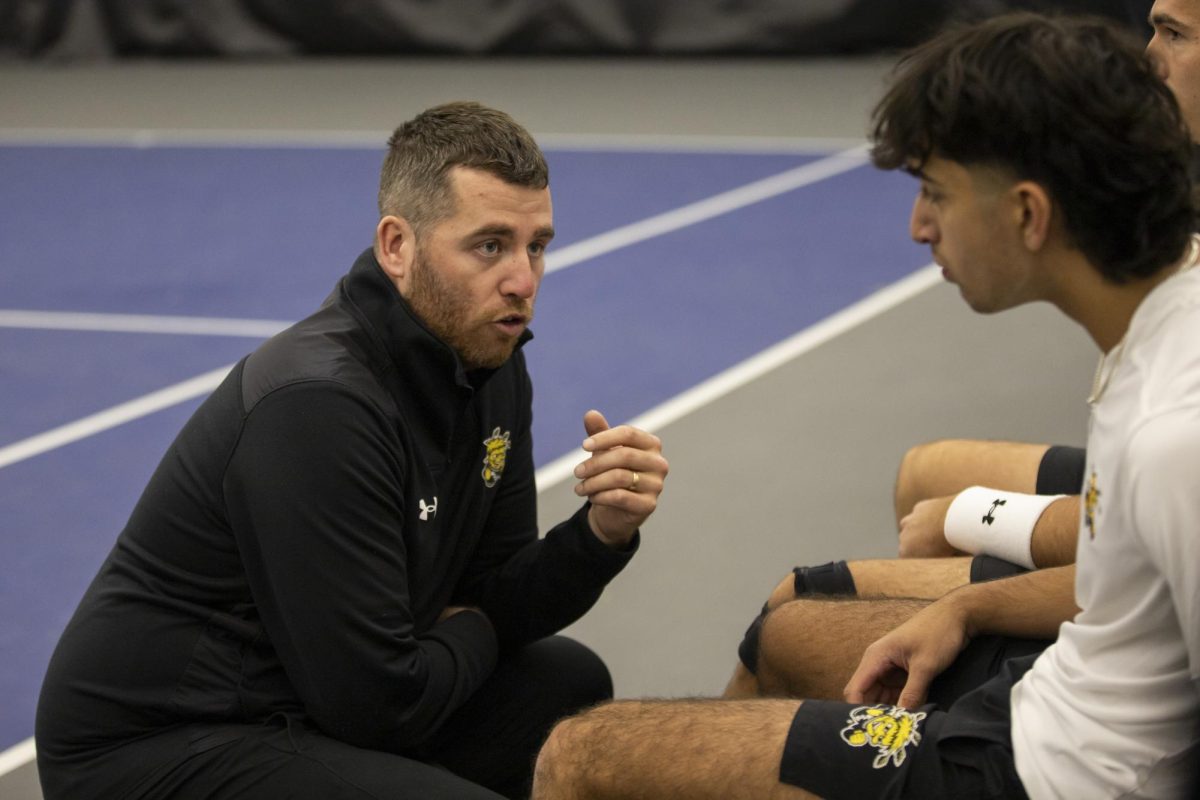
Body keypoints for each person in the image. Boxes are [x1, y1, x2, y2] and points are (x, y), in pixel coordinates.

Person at [531, 12, 1200, 798]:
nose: (918, 227)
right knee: (785, 626)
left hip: (1035, 774)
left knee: (580, 758)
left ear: (1028, 215)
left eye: (936, 194)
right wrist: (972, 608)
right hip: (1040, 705)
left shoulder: (1172, 436)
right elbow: (1130, 586)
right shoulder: (1153, 339)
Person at [34, 101, 669, 800]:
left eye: (537, 246)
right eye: (490, 245)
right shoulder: (318, 405)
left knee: (565, 688)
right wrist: (477, 628)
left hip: (305, 697)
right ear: (398, 247)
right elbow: (379, 706)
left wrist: (598, 536)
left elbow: (493, 593)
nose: (522, 279)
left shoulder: (492, 362)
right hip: (159, 744)